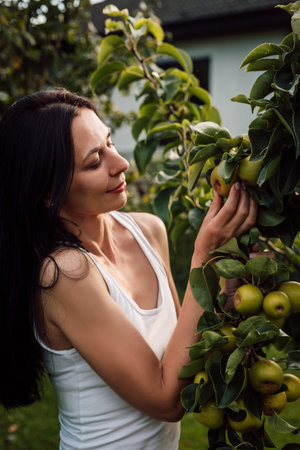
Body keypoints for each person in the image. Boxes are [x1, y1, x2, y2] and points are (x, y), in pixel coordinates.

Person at [0, 88, 257, 449]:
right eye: (94, 162)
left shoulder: (148, 231)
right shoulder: (64, 273)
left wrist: (232, 274)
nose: (120, 163)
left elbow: (185, 351)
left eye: (110, 143)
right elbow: (167, 399)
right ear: (47, 192)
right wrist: (204, 254)